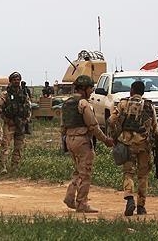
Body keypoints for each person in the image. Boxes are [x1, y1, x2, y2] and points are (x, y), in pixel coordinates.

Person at [61, 75, 114, 213]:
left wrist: (65, 142)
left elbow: (63, 125)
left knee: (78, 170)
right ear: (83, 88)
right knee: (85, 173)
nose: (91, 91)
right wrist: (105, 140)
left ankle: (70, 197)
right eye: (90, 88)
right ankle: (82, 203)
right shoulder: (84, 104)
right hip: (82, 141)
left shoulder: (67, 103)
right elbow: (93, 126)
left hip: (70, 139)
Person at [109, 80, 158, 216]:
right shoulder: (149, 106)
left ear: (131, 90)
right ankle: (141, 206)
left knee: (128, 173)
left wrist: (114, 135)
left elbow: (111, 120)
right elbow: (155, 128)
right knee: (143, 176)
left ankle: (129, 198)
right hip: (144, 145)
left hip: (127, 144)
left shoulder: (123, 104)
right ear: (143, 92)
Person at [0, 71, 30, 173]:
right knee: (5, 146)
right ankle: (3, 166)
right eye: (14, 80)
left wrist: (27, 119)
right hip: (10, 124)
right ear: (11, 81)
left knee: (19, 147)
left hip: (21, 124)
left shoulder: (24, 93)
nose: (17, 81)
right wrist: (5, 119)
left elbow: (28, 107)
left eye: (18, 80)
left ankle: (15, 166)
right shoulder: (6, 94)